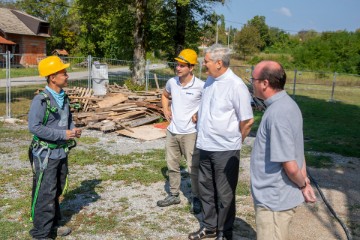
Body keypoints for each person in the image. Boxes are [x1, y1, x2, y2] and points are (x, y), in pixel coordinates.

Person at [188, 44, 254, 240]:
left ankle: (225, 233)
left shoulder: (236, 85)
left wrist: (235, 142)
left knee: (225, 195)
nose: (203, 63)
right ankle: (210, 227)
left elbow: (248, 120)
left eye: (206, 60)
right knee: (206, 190)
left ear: (219, 63)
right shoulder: (210, 80)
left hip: (225, 150)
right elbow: (210, 105)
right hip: (205, 146)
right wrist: (199, 114)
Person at [250, 60, 317, 240]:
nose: (251, 82)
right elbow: (298, 151)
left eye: (253, 79)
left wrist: (303, 184)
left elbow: (290, 164)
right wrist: (305, 181)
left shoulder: (277, 114)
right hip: (278, 197)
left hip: (274, 201)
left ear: (265, 83)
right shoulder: (289, 104)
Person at [28, 56, 82, 240]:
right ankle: (41, 234)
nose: (67, 76)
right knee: (46, 192)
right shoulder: (40, 100)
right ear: (52, 77)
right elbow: (34, 127)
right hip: (46, 155)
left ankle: (52, 225)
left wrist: (73, 129)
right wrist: (62, 135)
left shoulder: (63, 97)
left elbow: (67, 119)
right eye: (63, 73)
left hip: (60, 152)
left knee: (57, 188)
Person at [157, 49, 204, 214]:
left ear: (191, 68)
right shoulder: (172, 82)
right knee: (172, 165)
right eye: (177, 64)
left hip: (190, 133)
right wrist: (165, 110)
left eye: (182, 65)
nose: (178, 68)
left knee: (193, 168)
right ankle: (174, 194)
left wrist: (198, 113)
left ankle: (197, 198)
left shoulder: (200, 86)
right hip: (173, 131)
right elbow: (164, 95)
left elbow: (208, 104)